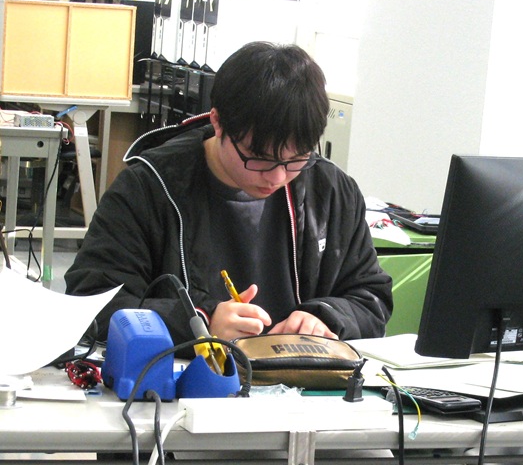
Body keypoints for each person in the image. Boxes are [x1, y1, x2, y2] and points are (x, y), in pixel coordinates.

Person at [65, 41, 393, 351]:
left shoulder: (331, 191)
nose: (277, 177)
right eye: (259, 158)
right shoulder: (148, 188)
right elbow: (92, 304)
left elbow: (371, 297)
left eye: (296, 159)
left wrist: (325, 317)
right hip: (187, 383)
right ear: (217, 122)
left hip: (299, 381)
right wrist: (197, 323)